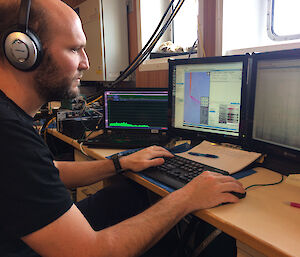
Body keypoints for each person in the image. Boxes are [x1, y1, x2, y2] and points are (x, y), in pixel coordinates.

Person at [0, 0, 245, 256]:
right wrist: (186, 197)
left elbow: (49, 171)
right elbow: (89, 253)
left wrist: (119, 163)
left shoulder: (10, 119)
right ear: (23, 52)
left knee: (128, 195)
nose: (85, 62)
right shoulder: (8, 133)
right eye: (74, 49)